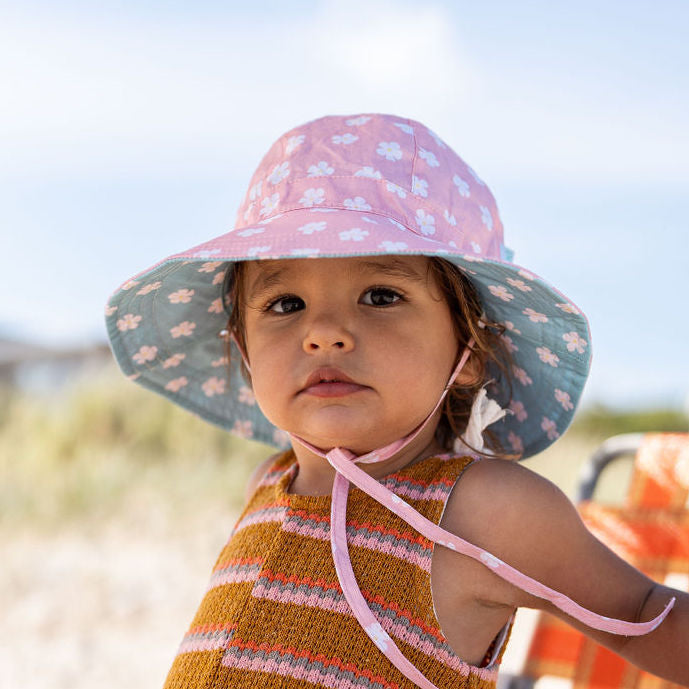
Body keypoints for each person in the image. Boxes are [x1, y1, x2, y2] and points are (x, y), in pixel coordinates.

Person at [106, 113, 688, 688]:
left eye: (380, 295)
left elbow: (644, 615)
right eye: (285, 304)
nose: (325, 332)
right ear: (243, 348)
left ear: (472, 347)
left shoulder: (482, 512)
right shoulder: (267, 482)